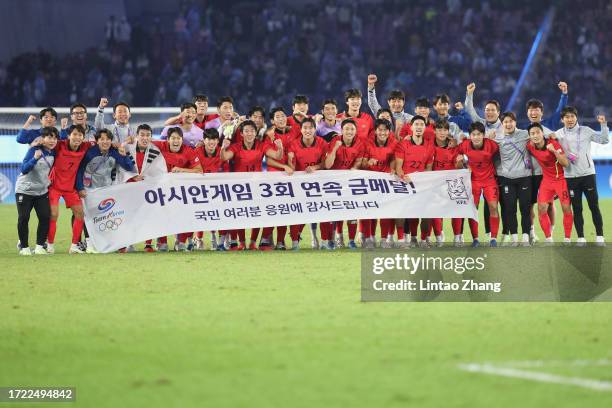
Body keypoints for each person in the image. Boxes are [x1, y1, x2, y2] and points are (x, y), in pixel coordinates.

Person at [220, 120, 283, 250]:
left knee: (259, 213)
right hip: (239, 188)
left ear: (255, 133)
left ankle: (253, 242)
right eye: (246, 131)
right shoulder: (236, 146)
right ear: (242, 134)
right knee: (238, 213)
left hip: (257, 186)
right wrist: (222, 148)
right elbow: (224, 157)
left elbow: (277, 155)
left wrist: (280, 147)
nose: (249, 133)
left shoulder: (261, 145)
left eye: (252, 131)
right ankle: (241, 242)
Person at [520, 82, 569, 243]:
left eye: (536, 110)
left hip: (548, 175)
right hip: (530, 174)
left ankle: (550, 232)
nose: (533, 112)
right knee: (528, 205)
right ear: (527, 113)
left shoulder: (549, 125)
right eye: (531, 110)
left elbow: (560, 110)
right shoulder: (525, 131)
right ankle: (532, 232)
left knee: (548, 205)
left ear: (541, 112)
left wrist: (564, 94)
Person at [553, 107, 608, 245]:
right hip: (570, 176)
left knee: (594, 206)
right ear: (562, 119)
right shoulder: (558, 134)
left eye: (572, 116)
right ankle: (581, 238)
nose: (570, 119)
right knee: (577, 208)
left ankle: (600, 236)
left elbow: (604, 140)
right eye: (567, 117)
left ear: (576, 117)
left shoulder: (586, 131)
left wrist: (603, 124)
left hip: (588, 174)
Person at [76, 129, 134, 253]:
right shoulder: (89, 153)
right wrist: (80, 187)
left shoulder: (113, 152)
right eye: (102, 139)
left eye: (108, 139)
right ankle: (89, 244)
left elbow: (129, 167)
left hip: (105, 190)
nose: (105, 141)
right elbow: (79, 170)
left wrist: (124, 155)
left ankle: (107, 243)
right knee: (88, 217)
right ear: (97, 141)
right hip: (88, 190)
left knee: (105, 217)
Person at [116, 124, 167, 252]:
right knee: (127, 216)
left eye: (148, 135)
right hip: (128, 188)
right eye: (142, 135)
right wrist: (132, 177)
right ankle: (125, 243)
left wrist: (146, 179)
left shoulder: (155, 151)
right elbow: (119, 167)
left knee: (147, 215)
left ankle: (148, 244)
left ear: (151, 137)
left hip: (146, 188)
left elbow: (160, 171)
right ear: (137, 136)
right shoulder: (127, 148)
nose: (145, 138)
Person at [151, 127, 203, 252]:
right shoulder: (159, 145)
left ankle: (180, 242)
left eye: (178, 138)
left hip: (179, 191)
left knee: (184, 214)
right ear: (167, 140)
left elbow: (199, 170)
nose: (176, 141)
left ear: (182, 140)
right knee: (161, 214)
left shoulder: (188, 151)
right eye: (173, 138)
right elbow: (143, 141)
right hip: (161, 189)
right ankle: (162, 243)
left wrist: (182, 170)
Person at [46, 125, 92, 254]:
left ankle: (73, 246)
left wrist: (117, 145)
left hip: (70, 188)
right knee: (54, 215)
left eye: (80, 135)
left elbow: (102, 143)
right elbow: (46, 143)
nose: (77, 137)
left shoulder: (86, 146)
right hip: (54, 187)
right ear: (68, 136)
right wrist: (37, 143)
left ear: (83, 137)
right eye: (75, 134)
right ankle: (49, 245)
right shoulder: (59, 145)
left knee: (80, 214)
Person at [525, 123, 573, 244]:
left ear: (543, 134)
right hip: (547, 181)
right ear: (529, 136)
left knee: (566, 208)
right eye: (532, 134)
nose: (535, 135)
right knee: (541, 208)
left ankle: (567, 238)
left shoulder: (553, 144)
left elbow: (566, 163)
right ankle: (548, 238)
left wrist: (554, 151)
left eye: (537, 132)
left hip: (561, 179)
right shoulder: (530, 146)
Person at [456, 122, 501, 247]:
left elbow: (502, 150)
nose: (476, 137)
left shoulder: (492, 145)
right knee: (473, 208)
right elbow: (457, 157)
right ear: (469, 135)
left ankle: (493, 238)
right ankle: (475, 238)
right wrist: (462, 163)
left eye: (479, 134)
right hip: (473, 180)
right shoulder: (464, 145)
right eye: (473, 134)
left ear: (483, 135)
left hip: (489, 180)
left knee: (493, 206)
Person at [287, 117, 328, 250]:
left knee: (322, 212)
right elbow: (291, 167)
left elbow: (325, 164)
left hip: (318, 184)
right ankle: (294, 242)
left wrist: (315, 167)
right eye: (305, 128)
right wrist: (290, 161)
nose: (308, 130)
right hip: (300, 186)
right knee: (298, 213)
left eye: (310, 128)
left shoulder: (322, 143)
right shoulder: (294, 144)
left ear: (315, 129)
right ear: (301, 130)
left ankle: (324, 243)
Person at [324, 119, 366, 249]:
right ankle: (335, 238)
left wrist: (354, 168)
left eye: (352, 129)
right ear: (341, 130)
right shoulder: (334, 141)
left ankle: (351, 240)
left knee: (352, 210)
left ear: (356, 131)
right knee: (334, 211)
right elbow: (327, 165)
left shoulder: (359, 143)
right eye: (346, 129)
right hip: (333, 183)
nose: (349, 131)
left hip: (349, 182)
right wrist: (335, 148)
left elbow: (358, 161)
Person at [15, 127, 58, 255]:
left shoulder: (53, 153)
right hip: (25, 190)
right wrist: (34, 158)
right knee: (24, 218)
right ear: (42, 139)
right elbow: (24, 169)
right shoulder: (34, 150)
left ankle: (39, 246)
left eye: (55, 138)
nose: (52, 141)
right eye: (49, 137)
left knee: (45, 217)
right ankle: (24, 248)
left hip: (41, 191)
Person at [394, 115, 434, 247]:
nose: (418, 127)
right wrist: (403, 176)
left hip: (421, 185)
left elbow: (429, 168)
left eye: (421, 124)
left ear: (425, 128)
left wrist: (423, 180)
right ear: (411, 127)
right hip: (404, 183)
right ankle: (400, 240)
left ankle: (421, 240)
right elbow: (398, 167)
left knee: (427, 213)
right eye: (416, 124)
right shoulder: (403, 144)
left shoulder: (429, 146)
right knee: (401, 212)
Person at [493, 111, 532, 246]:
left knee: (525, 208)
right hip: (507, 179)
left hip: (524, 178)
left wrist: (552, 135)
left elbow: (540, 133)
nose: (508, 124)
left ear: (515, 122)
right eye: (505, 122)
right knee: (510, 209)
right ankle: (514, 238)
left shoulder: (525, 134)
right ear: (502, 124)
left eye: (511, 121)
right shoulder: (497, 138)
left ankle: (526, 237)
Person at [362, 118, 396, 248]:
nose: (382, 133)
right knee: (368, 210)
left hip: (385, 183)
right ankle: (369, 238)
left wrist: (392, 168)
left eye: (385, 130)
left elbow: (393, 158)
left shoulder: (393, 143)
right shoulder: (367, 143)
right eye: (380, 130)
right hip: (369, 182)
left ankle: (383, 240)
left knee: (384, 211)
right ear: (375, 131)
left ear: (389, 131)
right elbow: (363, 162)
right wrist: (368, 163)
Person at [193, 128, 229, 250]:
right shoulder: (197, 151)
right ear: (204, 140)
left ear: (218, 141)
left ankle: (217, 239)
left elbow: (227, 171)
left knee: (219, 213)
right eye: (209, 139)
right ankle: (199, 239)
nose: (211, 142)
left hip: (217, 189)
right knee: (201, 214)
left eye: (214, 139)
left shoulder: (221, 152)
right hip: (200, 189)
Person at [431, 119, 463, 247]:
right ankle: (439, 238)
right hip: (435, 184)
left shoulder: (454, 147)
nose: (442, 132)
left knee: (456, 211)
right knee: (435, 211)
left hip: (452, 183)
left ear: (448, 131)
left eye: (445, 130)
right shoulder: (429, 145)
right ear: (435, 131)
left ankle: (456, 238)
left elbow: (459, 166)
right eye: (439, 129)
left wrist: (460, 162)